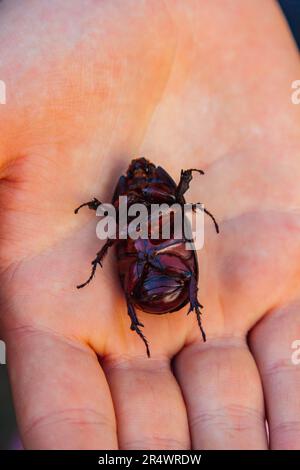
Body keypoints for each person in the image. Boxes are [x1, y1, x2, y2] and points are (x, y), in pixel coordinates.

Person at [0, 0, 299, 450]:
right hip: (162, 282)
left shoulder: (144, 209)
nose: (142, 178)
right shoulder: (145, 211)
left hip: (160, 282)